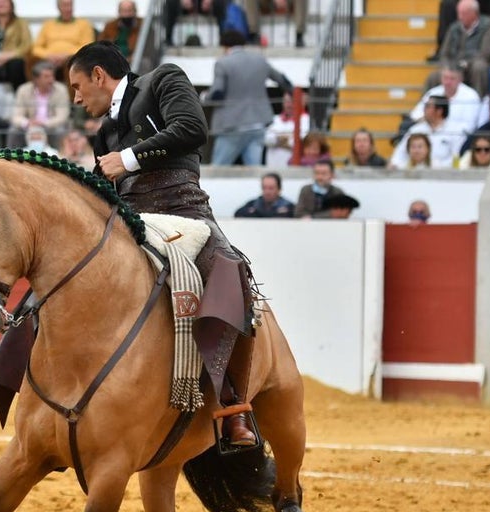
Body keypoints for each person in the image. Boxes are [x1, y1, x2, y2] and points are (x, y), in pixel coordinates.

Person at [68, 40, 259, 447]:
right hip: (131, 218)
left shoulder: (162, 79)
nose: (76, 97)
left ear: (99, 75)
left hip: (183, 209)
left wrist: (129, 158)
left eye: (78, 85)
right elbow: (104, 186)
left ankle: (232, 407)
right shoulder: (104, 132)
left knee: (228, 271)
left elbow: (193, 130)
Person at [206, 30, 293, 166]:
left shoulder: (223, 63)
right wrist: (293, 93)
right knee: (255, 171)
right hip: (258, 124)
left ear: (225, 46)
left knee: (219, 167)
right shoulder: (259, 60)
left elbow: (218, 92)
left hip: (231, 126)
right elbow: (282, 80)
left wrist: (204, 97)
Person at [433, 0, 490, 95]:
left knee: (479, 67)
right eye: (459, 13)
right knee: (433, 76)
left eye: (463, 13)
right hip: (454, 65)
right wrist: (447, 67)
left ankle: (478, 101)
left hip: (473, 65)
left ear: (474, 14)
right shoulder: (454, 28)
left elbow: (486, 52)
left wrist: (466, 63)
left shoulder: (488, 26)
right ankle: (431, 106)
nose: (460, 17)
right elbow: (444, 53)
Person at [389, 95, 465, 168]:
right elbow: (400, 154)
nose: (424, 109)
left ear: (439, 111)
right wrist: (394, 164)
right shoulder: (416, 129)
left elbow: (457, 157)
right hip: (417, 174)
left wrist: (436, 167)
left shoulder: (455, 131)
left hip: (445, 175)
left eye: (427, 107)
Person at [409, 65, 483, 139]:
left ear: (460, 79)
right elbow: (416, 114)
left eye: (452, 79)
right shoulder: (433, 92)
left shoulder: (471, 96)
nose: (447, 82)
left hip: (457, 137)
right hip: (429, 134)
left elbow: (469, 127)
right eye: (445, 78)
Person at [9, 60, 71, 146]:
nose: (51, 80)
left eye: (52, 76)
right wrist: (27, 123)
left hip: (50, 125)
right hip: (29, 125)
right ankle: (10, 157)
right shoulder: (23, 90)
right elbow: (16, 116)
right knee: (14, 130)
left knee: (59, 130)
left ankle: (58, 157)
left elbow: (62, 116)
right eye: (46, 77)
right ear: (36, 79)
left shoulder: (61, 90)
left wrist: (43, 123)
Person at [32, 0, 95, 78]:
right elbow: (36, 47)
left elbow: (87, 46)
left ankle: (75, 89)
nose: (68, 9)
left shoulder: (84, 24)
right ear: (58, 7)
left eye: (70, 5)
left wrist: (66, 56)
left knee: (73, 63)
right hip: (49, 58)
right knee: (32, 61)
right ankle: (36, 90)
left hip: (72, 58)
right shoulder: (48, 24)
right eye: (65, 5)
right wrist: (48, 55)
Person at [263, 91, 309, 168]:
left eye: (292, 101)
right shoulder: (275, 119)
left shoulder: (307, 120)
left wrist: (278, 140)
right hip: (272, 167)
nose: (289, 105)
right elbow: (266, 140)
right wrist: (286, 139)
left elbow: (300, 143)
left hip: (293, 169)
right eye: (286, 101)